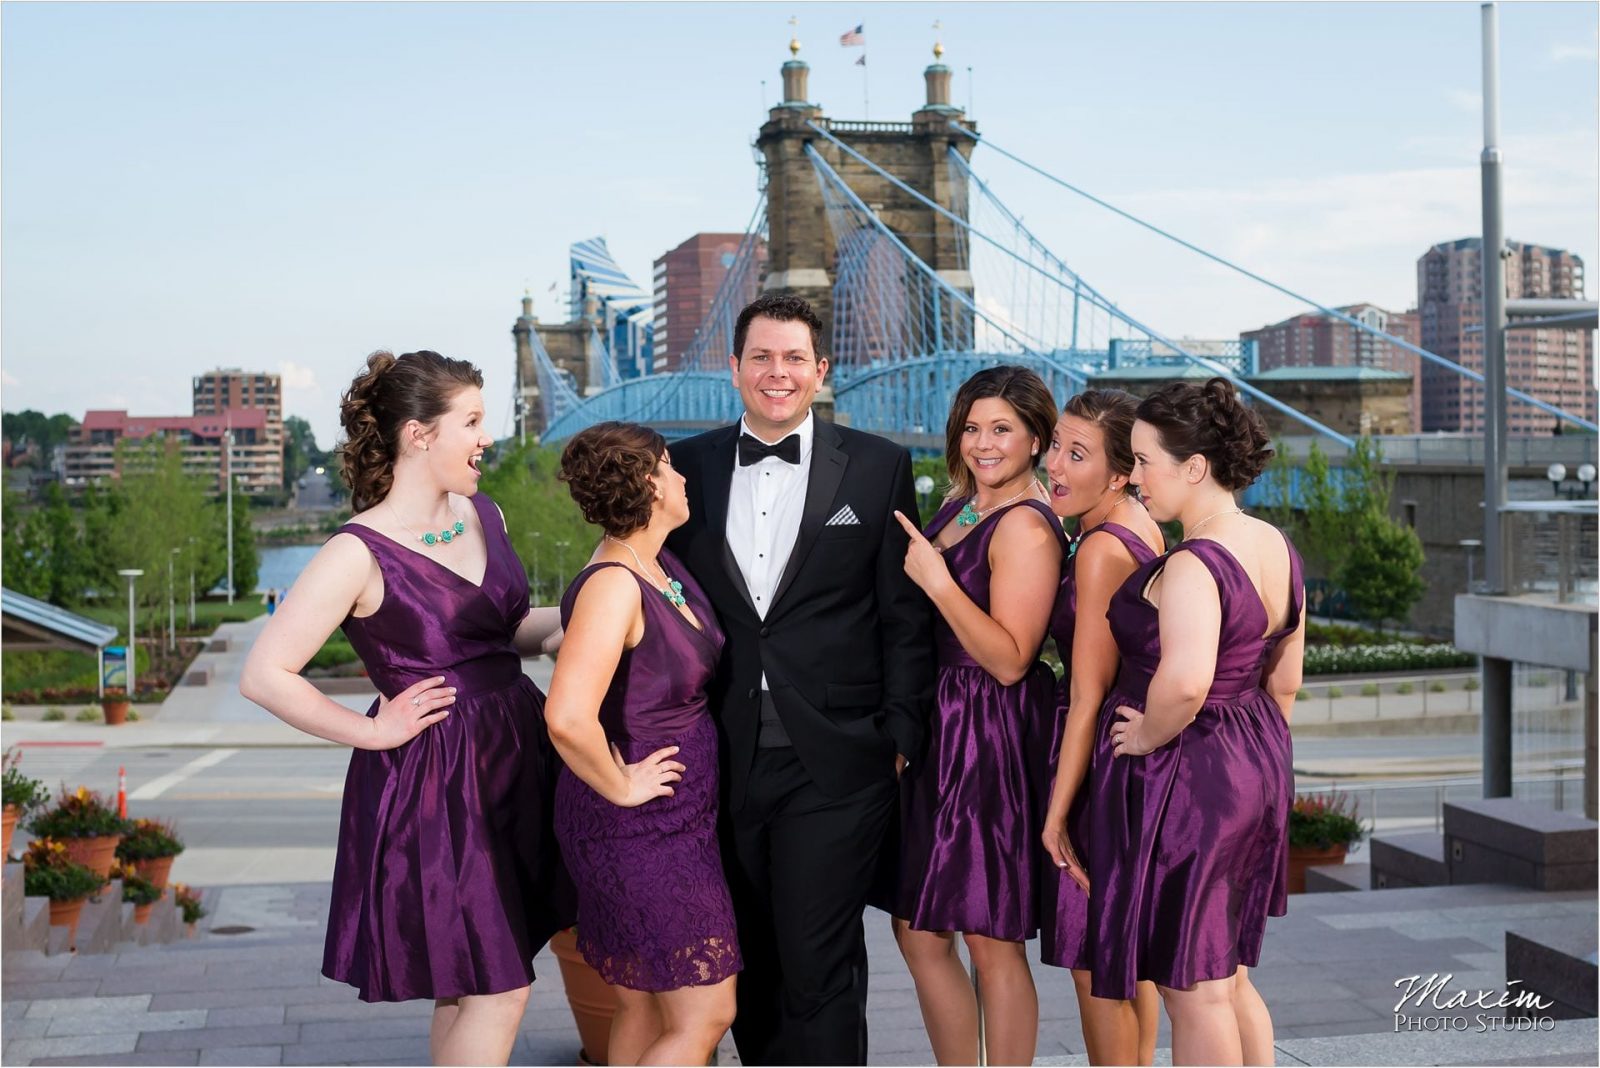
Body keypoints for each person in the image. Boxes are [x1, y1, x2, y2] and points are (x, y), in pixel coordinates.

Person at [239, 350, 570, 1066]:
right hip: (438, 785)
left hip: (517, 758)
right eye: (473, 422)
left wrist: (578, 623)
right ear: (419, 435)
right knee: (498, 986)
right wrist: (372, 730)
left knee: (469, 984)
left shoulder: (488, 512)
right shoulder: (356, 553)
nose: (488, 438)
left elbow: (504, 630)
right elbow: (266, 675)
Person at [664, 293, 934, 1065]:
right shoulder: (684, 469)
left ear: (820, 370)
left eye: (793, 359)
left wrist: (899, 733)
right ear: (733, 368)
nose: (776, 373)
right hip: (718, 755)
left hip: (840, 761)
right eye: (760, 357)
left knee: (820, 962)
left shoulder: (879, 466)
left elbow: (901, 616)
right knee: (747, 958)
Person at [1092, 377, 1305, 1066]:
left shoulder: (1193, 562)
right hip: (1257, 758)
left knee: (1193, 988)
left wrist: (1146, 734)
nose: (1136, 475)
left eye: (1146, 460)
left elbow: (1184, 682)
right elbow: (1287, 680)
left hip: (1198, 777)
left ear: (1194, 466)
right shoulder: (1273, 544)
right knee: (1228, 973)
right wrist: (1260, 761)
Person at [545, 421, 740, 1066]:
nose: (684, 478)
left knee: (638, 999)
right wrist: (623, 784)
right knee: (708, 1011)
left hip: (676, 822)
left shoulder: (653, 564)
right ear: (651, 483)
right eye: (671, 466)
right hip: (636, 828)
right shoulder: (615, 584)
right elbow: (568, 716)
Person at [890, 365, 1064, 1067]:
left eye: (1002, 430)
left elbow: (1012, 658)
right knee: (922, 930)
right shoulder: (967, 503)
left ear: (1035, 439)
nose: (982, 444)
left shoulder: (1026, 525)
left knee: (990, 936)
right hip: (945, 726)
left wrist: (936, 581)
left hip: (989, 731)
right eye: (971, 428)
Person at [1037, 389, 1164, 1066]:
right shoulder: (1141, 525)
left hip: (1097, 769)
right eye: (1056, 443)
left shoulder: (1096, 551)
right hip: (1131, 760)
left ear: (1121, 474)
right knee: (1125, 962)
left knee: (1094, 964)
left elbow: (1087, 693)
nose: (1054, 464)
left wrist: (1057, 818)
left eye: (1077, 453)